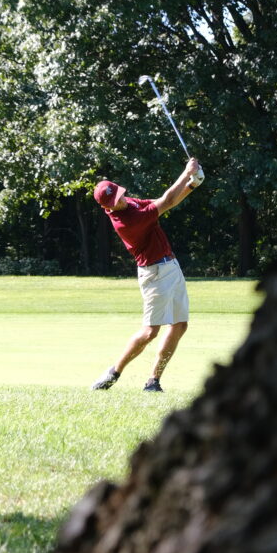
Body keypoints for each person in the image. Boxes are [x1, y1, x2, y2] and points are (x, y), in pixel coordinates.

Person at [90, 157, 203, 393]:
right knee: (150, 331)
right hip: (155, 273)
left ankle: (153, 381)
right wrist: (186, 174)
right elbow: (167, 200)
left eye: (120, 194)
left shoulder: (128, 203)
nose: (121, 198)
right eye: (116, 199)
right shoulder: (125, 223)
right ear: (107, 207)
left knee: (180, 325)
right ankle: (113, 373)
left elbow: (164, 203)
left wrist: (192, 185)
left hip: (170, 266)